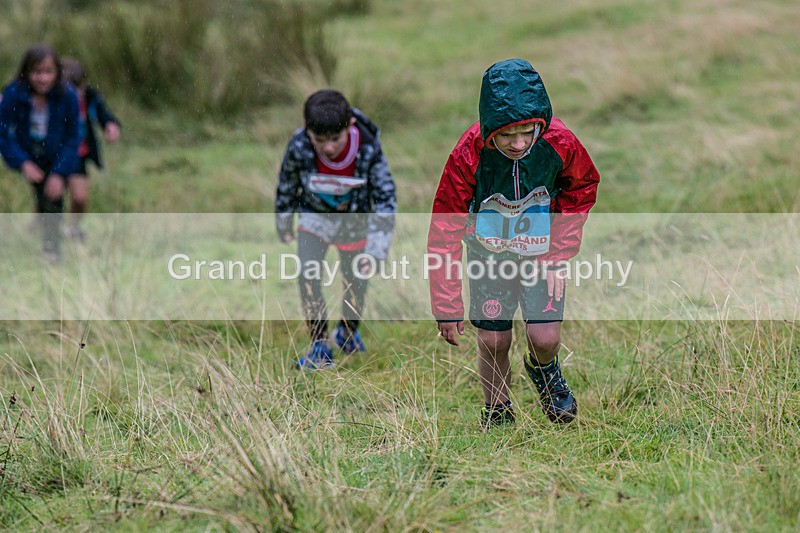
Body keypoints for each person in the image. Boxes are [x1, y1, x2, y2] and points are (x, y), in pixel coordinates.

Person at [427, 59, 600, 428]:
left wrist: (559, 253)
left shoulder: (559, 142)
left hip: (541, 256)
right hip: (488, 257)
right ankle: (498, 412)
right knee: (493, 340)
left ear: (540, 122)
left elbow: (582, 187)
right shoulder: (468, 154)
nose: (519, 143)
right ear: (490, 130)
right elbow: (444, 227)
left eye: (526, 131)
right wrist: (446, 303)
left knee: (545, 336)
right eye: (506, 135)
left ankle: (545, 371)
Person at [275, 89, 397, 369]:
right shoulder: (298, 146)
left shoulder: (367, 147)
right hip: (313, 219)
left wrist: (377, 249)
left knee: (356, 279)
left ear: (349, 127)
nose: (328, 147)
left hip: (354, 223)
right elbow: (287, 182)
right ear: (308, 132)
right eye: (320, 140)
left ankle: (347, 332)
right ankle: (319, 346)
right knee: (308, 275)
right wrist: (283, 220)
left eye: (335, 139)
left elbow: (385, 198)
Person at [0, 43, 80, 263]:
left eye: (48, 72)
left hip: (57, 154)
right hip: (29, 154)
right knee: (43, 194)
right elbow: (4, 134)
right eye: (37, 72)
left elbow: (74, 136)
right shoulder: (14, 94)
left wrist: (59, 172)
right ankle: (47, 237)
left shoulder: (68, 96)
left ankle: (52, 248)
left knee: (53, 195)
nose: (42, 78)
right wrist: (22, 162)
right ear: (26, 72)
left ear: (57, 73)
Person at [60, 57, 121, 242]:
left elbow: (104, 114)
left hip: (78, 156)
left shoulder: (90, 97)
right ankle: (44, 228)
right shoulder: (50, 101)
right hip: (54, 155)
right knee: (50, 199)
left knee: (80, 199)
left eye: (77, 88)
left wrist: (111, 125)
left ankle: (73, 228)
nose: (75, 93)